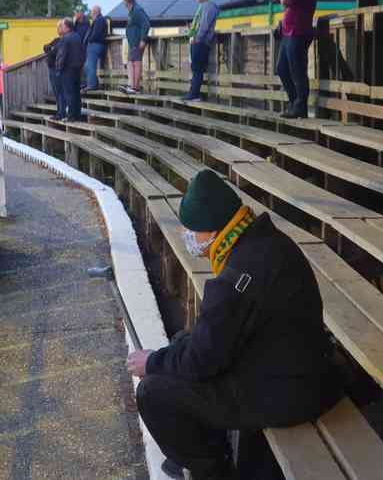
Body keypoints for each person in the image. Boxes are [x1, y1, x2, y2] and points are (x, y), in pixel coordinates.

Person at [127, 170, 339, 480]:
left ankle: (213, 470)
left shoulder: (237, 276)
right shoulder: (264, 240)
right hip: (301, 369)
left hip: (289, 393)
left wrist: (153, 362)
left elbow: (202, 361)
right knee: (182, 342)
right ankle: (207, 447)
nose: (188, 237)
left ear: (212, 228)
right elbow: (211, 340)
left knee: (153, 392)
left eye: (192, 230)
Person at [276, 0, 317, 120]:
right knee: (282, 68)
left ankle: (300, 107)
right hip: (289, 33)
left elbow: (286, 0)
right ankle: (295, 104)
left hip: (298, 33)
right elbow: (290, 3)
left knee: (297, 71)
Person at [182, 0, 219, 102]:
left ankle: (194, 95)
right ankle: (193, 93)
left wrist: (197, 37)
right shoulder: (203, 6)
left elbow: (205, 25)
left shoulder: (209, 6)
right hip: (197, 41)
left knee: (197, 68)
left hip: (201, 42)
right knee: (195, 68)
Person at [120, 0, 151, 95]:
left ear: (127, 1)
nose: (123, 3)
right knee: (131, 62)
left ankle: (135, 88)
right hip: (132, 42)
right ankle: (132, 86)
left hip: (137, 42)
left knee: (135, 63)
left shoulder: (137, 10)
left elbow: (146, 23)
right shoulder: (132, 11)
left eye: (123, 0)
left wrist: (143, 39)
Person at [56, 17, 85, 122]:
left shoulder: (66, 38)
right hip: (77, 69)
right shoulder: (77, 36)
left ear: (67, 27)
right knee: (76, 93)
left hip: (67, 69)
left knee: (69, 93)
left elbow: (62, 55)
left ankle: (71, 116)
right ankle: (77, 115)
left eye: (63, 26)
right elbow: (83, 53)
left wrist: (59, 68)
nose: (61, 28)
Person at [44, 21, 66, 120]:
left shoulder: (64, 40)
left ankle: (62, 113)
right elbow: (45, 47)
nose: (58, 30)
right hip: (51, 69)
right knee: (56, 92)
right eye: (57, 28)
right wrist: (50, 48)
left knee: (60, 91)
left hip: (58, 69)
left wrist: (51, 49)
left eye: (60, 27)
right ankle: (59, 111)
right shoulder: (56, 40)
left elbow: (55, 51)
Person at [83, 6, 108, 93]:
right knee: (87, 66)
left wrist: (89, 40)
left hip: (95, 45)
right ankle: (93, 83)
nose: (90, 14)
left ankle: (92, 85)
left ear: (95, 12)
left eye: (92, 12)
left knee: (90, 66)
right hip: (95, 45)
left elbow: (96, 34)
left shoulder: (99, 20)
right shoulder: (99, 20)